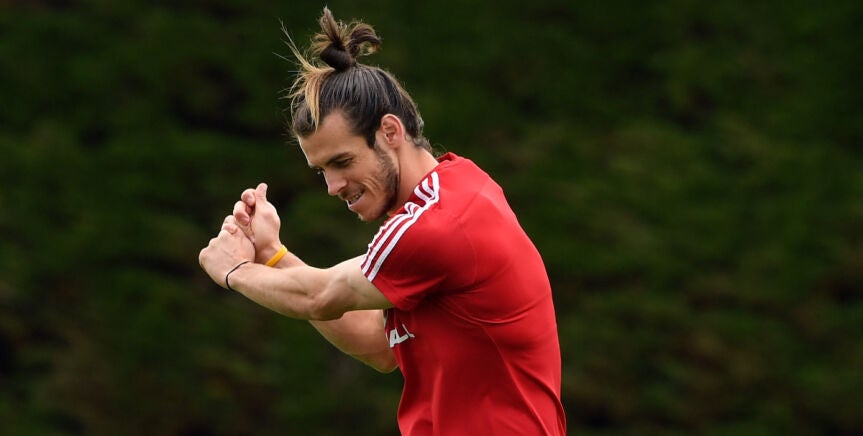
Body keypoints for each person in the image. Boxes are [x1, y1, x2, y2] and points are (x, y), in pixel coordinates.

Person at [199, 7, 566, 435]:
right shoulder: (454, 190)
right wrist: (273, 255)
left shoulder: (438, 224)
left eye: (342, 161)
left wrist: (234, 271)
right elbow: (378, 345)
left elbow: (321, 295)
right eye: (322, 171)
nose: (332, 186)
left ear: (390, 132)